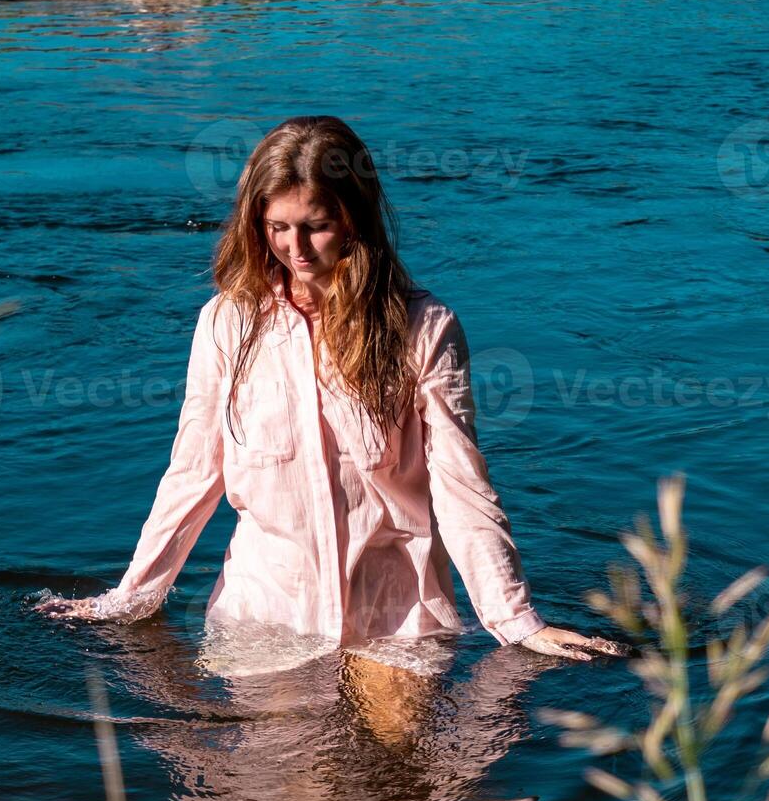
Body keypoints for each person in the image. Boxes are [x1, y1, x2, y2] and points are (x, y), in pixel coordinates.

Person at [36, 115, 629, 664]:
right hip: (264, 612)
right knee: (281, 776)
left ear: (354, 218)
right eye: (277, 228)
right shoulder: (226, 323)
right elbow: (193, 474)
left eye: (316, 227)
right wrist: (131, 599)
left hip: (398, 614)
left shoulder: (423, 328)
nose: (295, 249)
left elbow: (461, 486)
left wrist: (517, 621)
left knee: (405, 772)